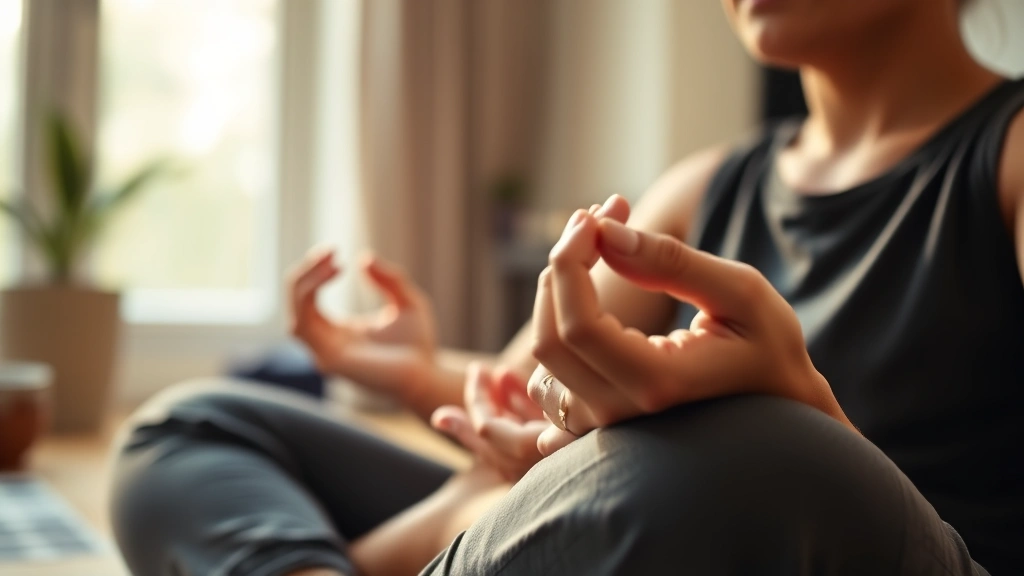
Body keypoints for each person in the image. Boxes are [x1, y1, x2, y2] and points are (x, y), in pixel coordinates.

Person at [110, 0, 1024, 574]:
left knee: (767, 455)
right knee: (189, 428)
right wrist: (424, 375)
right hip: (634, 518)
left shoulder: (1011, 160)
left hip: (811, 525)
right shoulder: (708, 187)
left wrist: (815, 419)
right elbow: (522, 409)